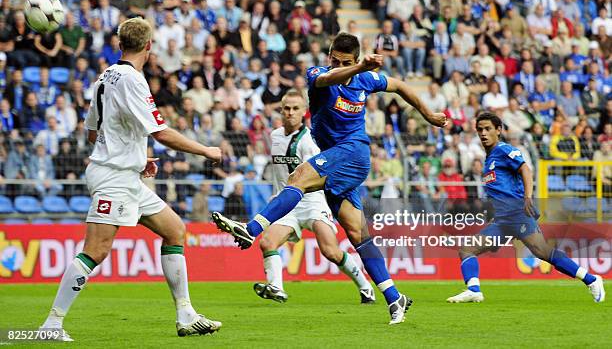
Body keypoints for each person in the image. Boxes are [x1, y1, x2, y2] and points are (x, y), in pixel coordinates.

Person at [211, 32, 447, 325]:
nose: (335, 65)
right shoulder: (318, 75)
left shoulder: (366, 80)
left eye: (343, 62)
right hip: (338, 162)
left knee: (298, 177)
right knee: (358, 235)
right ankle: (394, 296)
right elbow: (327, 80)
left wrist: (427, 115)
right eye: (333, 60)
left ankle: (251, 227)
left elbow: (399, 86)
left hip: (354, 153)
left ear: (355, 60)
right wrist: (359, 68)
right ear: (329, 56)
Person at [40, 18, 223, 341]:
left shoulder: (104, 77)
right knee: (96, 250)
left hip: (123, 173)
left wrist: (136, 158)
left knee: (174, 229)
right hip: (114, 177)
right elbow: (161, 132)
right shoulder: (133, 80)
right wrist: (205, 150)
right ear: (150, 47)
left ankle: (185, 314)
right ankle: (52, 324)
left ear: (119, 43)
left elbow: (94, 129)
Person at [446, 112, 605, 303]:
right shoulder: (489, 160)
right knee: (467, 249)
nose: (483, 133)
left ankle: (592, 279)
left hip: (518, 214)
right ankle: (474, 290)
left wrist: (528, 196)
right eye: (480, 129)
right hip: (503, 220)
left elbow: (525, 169)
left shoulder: (504, 150)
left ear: (499, 130)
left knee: (542, 252)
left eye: (488, 128)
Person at [253, 89, 375, 304]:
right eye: (286, 108)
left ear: (304, 112)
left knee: (330, 251)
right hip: (287, 204)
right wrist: (277, 195)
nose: (290, 113)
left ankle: (365, 286)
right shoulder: (274, 136)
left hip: (312, 200)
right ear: (280, 110)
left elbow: (315, 176)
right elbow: (278, 173)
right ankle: (277, 288)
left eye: (295, 108)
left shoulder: (310, 140)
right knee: (267, 243)